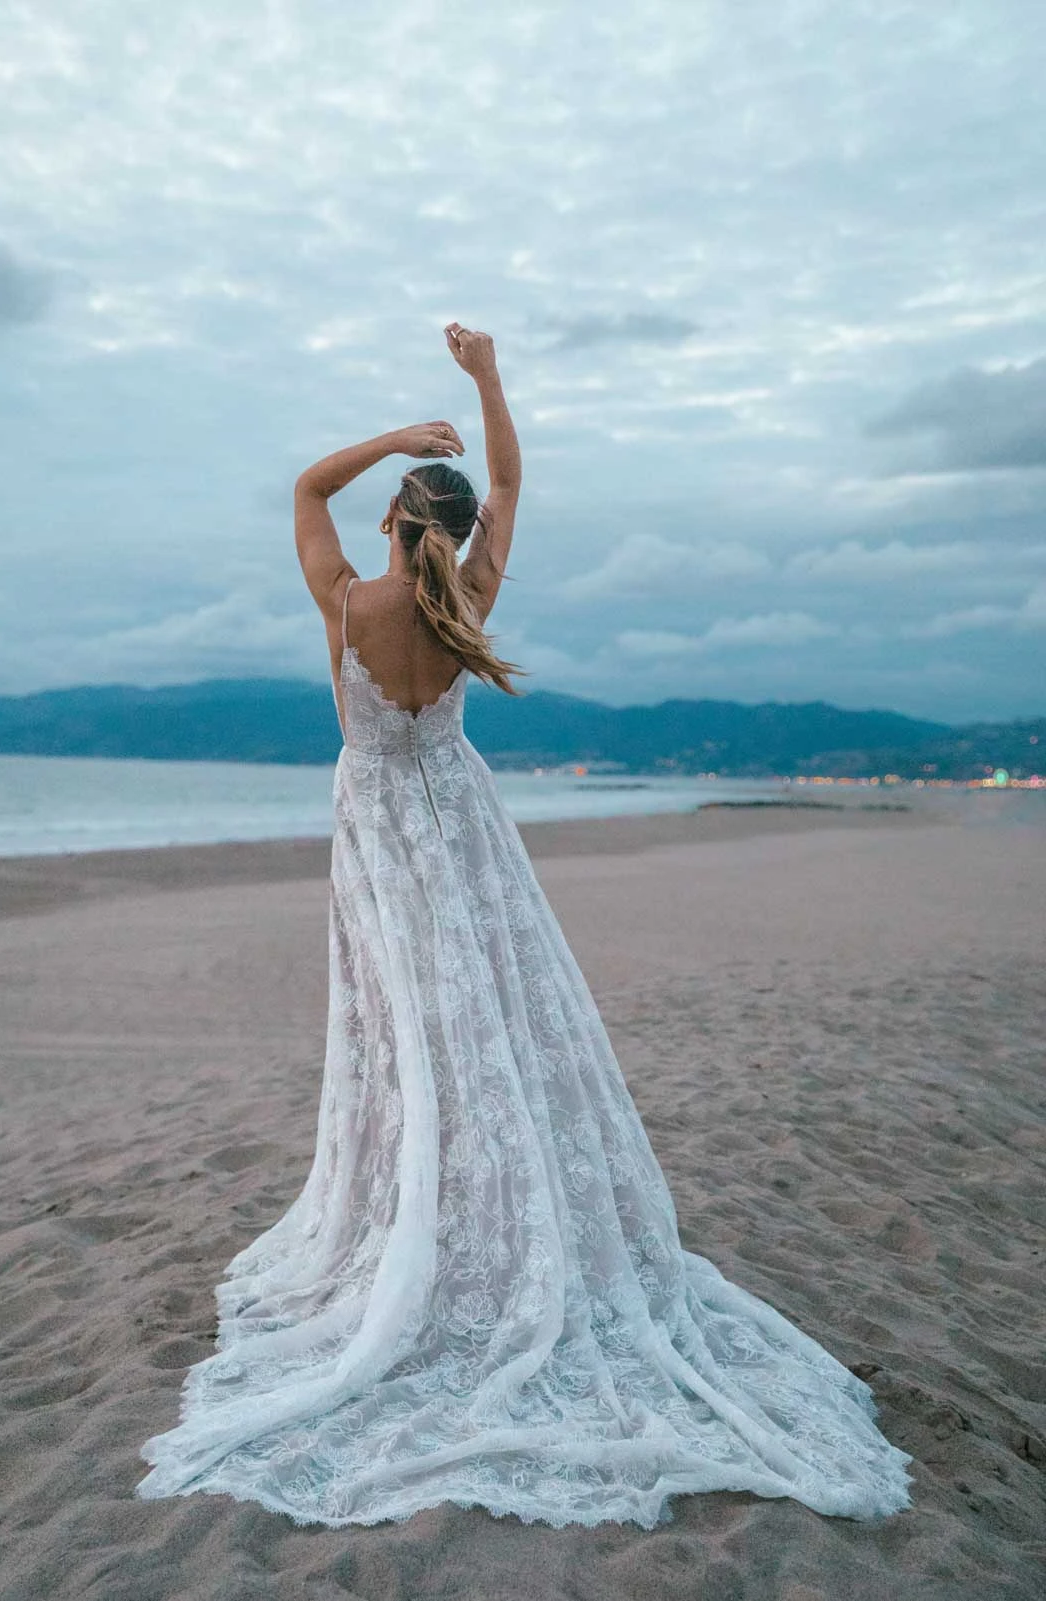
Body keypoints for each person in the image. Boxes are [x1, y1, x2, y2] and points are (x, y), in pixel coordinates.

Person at [135, 324, 914, 1529]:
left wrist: (396, 433)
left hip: (384, 841)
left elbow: (302, 487)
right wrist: (486, 380)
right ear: (451, 533)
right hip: (466, 832)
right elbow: (504, 485)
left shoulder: (348, 602)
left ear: (393, 521)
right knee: (484, 1015)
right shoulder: (468, 596)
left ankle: (423, 1218)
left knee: (410, 1032)